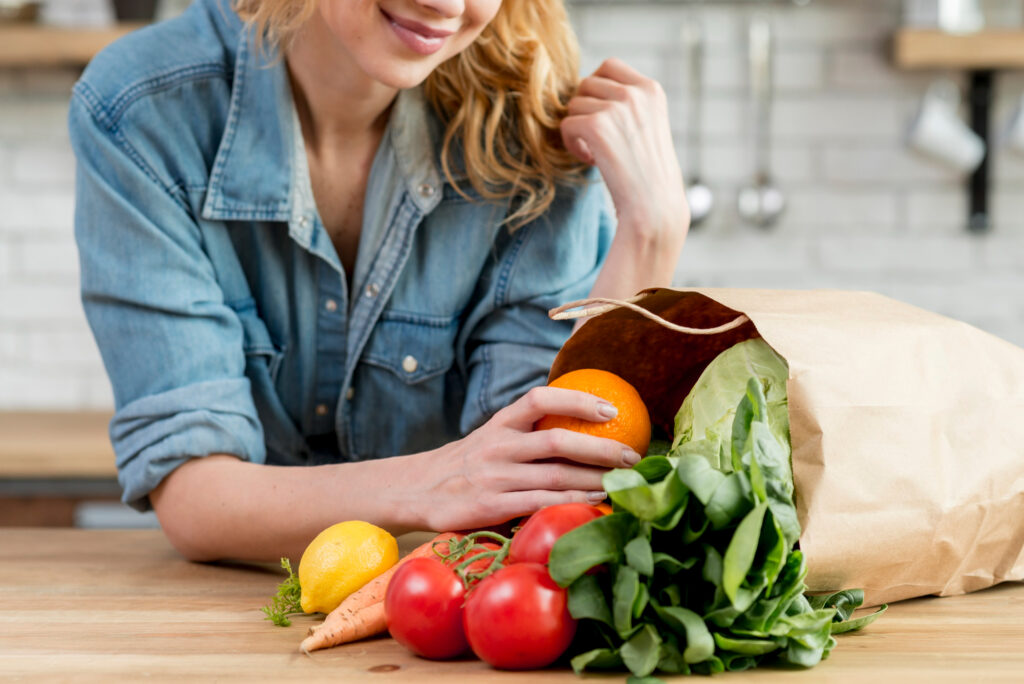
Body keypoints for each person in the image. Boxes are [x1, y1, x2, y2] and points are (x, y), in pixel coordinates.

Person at [70, 0, 689, 563]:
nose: (448, 6)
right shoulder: (142, 107)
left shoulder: (529, 119)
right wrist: (435, 484)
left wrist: (651, 234)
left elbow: (539, 485)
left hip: (445, 615)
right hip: (227, 615)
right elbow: (197, 495)